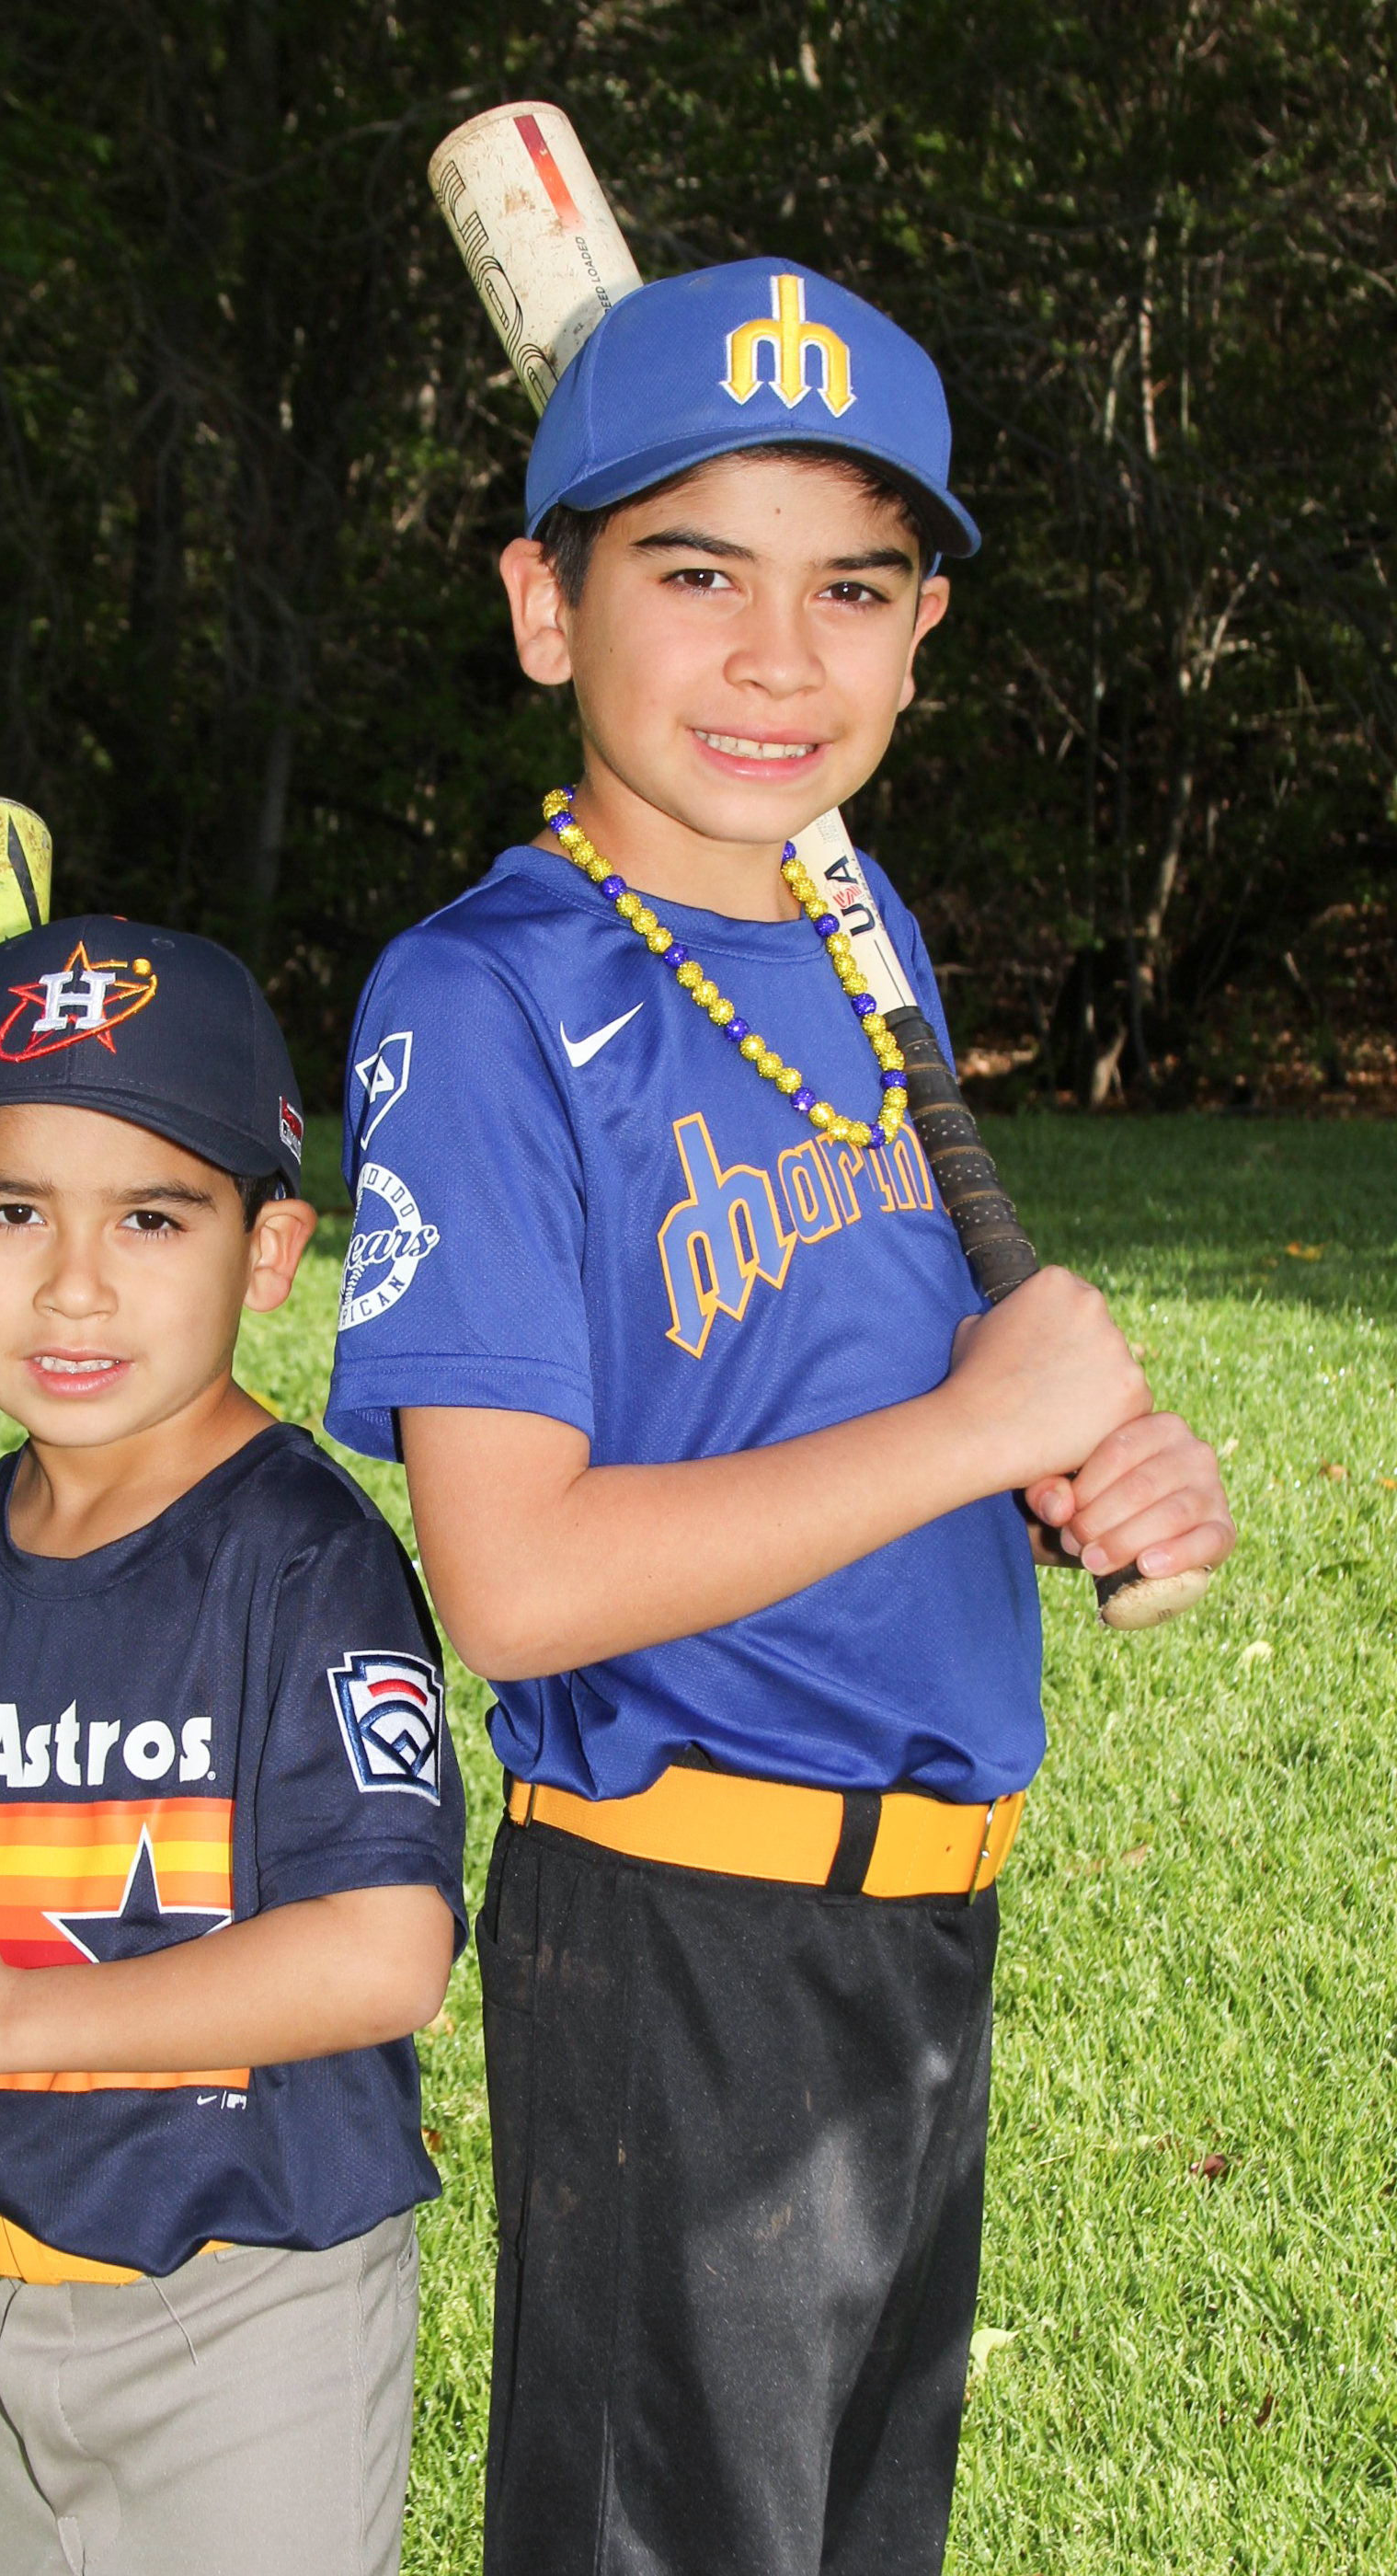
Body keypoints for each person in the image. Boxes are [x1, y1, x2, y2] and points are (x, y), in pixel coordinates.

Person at [323, 260, 1234, 2574]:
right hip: (681, 1935)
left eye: (850, 585)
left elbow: (867, 1377)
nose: (775, 657)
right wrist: (974, 1432)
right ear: (545, 608)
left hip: (922, 1919)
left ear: (920, 634)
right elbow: (513, 1580)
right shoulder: (485, 997)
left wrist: (1067, 1471)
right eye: (694, 571)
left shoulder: (853, 923)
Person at [0, 915, 464, 2576]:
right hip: (3, 2281)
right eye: (10, 1211)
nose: (75, 1284)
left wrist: (9, 2021)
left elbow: (385, 1952)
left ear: (270, 1251)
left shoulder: (301, 1562)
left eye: (155, 1217)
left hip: (255, 2306)